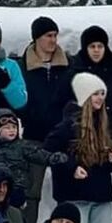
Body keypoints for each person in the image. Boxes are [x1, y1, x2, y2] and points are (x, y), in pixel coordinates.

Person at [46, 75, 112, 223]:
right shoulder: (68, 124)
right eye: (95, 93)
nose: (100, 98)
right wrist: (72, 168)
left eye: (102, 93)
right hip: (75, 194)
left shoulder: (105, 124)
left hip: (101, 194)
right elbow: (50, 152)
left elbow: (108, 163)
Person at [19, 17, 71, 202]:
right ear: (36, 38)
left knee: (67, 191)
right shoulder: (22, 67)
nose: (53, 40)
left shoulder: (68, 66)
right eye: (49, 35)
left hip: (63, 137)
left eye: (55, 35)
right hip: (33, 136)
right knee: (31, 193)